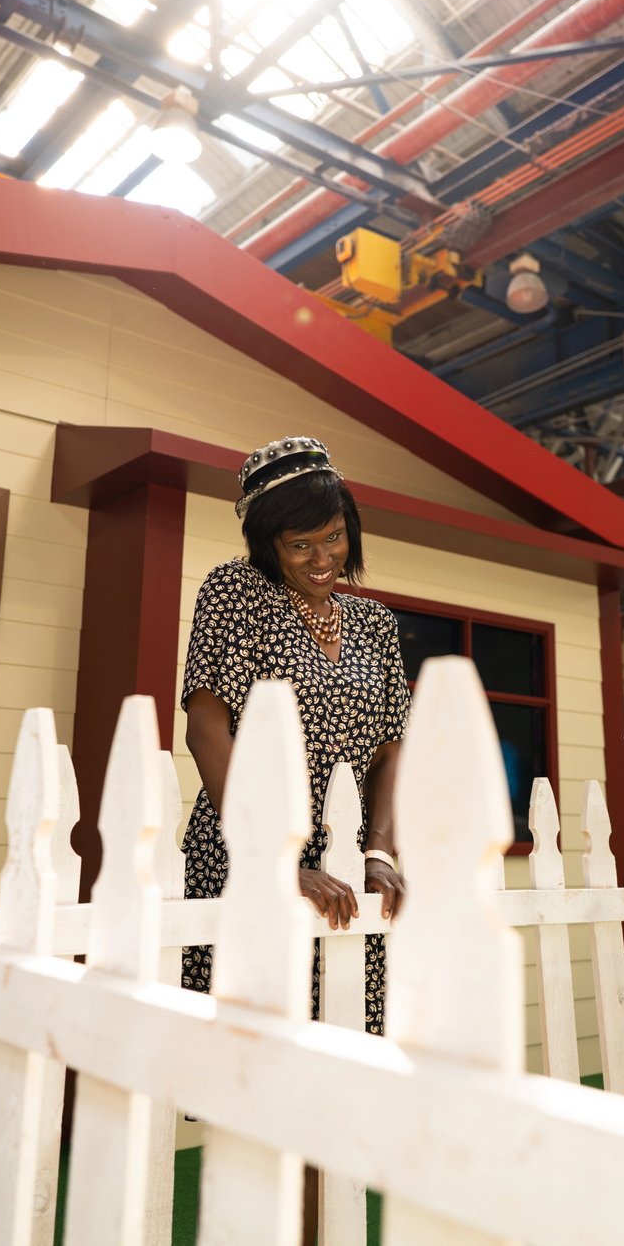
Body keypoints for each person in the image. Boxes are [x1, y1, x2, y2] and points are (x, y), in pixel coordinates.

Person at [180, 436, 409, 1034]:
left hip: (348, 864)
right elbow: (206, 729)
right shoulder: (235, 593)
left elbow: (391, 748)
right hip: (244, 852)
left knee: (345, 1038)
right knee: (252, 1051)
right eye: (299, 544)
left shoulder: (375, 623)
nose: (321, 558)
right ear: (268, 544)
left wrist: (378, 854)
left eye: (333, 536)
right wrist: (271, 859)